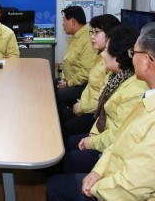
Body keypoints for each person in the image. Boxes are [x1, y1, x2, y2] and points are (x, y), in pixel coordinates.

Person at [46, 21, 155, 201]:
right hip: (117, 171)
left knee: (55, 186)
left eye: (134, 52)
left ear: (146, 61)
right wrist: (99, 170)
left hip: (127, 193)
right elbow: (122, 138)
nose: (130, 57)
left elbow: (130, 188)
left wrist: (97, 187)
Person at [61, 25, 147, 173]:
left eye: (107, 51)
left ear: (119, 56)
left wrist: (92, 142)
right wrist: (93, 135)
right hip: (101, 135)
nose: (103, 55)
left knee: (62, 166)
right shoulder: (114, 76)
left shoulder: (135, 90)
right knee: (67, 144)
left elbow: (118, 135)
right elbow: (103, 116)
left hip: (111, 151)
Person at [61, 14, 121, 137]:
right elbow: (91, 86)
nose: (92, 36)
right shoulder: (99, 54)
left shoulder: (112, 62)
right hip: (86, 106)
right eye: (91, 32)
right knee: (58, 118)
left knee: (63, 129)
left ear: (111, 34)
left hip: (95, 114)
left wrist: (82, 107)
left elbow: (104, 99)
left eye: (97, 32)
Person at [55, 6, 96, 107]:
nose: (62, 24)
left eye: (64, 20)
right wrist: (64, 79)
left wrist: (68, 84)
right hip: (70, 81)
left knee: (56, 95)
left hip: (82, 85)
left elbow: (86, 72)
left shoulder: (88, 39)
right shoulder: (75, 37)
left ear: (72, 21)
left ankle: (60, 122)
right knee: (50, 83)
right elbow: (67, 62)